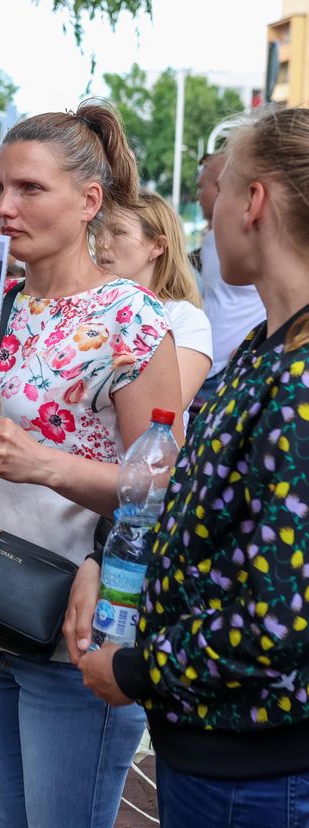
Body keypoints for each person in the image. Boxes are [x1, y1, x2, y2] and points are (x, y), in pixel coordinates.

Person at [0, 101, 185, 828]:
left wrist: (44, 464)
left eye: (28, 189)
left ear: (89, 200)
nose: (4, 207)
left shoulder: (131, 319)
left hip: (75, 630)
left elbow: (161, 492)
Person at [79, 106, 309, 827]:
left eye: (220, 190)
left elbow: (279, 616)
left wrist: (137, 668)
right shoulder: (265, 353)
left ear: (256, 202)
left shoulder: (299, 379)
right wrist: (104, 565)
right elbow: (190, 513)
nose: (205, 217)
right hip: (210, 749)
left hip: (257, 770)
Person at [96, 191, 213, 409]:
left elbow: (163, 412)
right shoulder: (90, 306)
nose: (101, 243)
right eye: (98, 232)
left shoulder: (187, 320)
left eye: (117, 232)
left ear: (157, 246)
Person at [192, 151, 264, 405]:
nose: (197, 197)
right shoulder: (212, 242)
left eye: (221, 189)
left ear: (253, 200)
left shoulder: (285, 371)